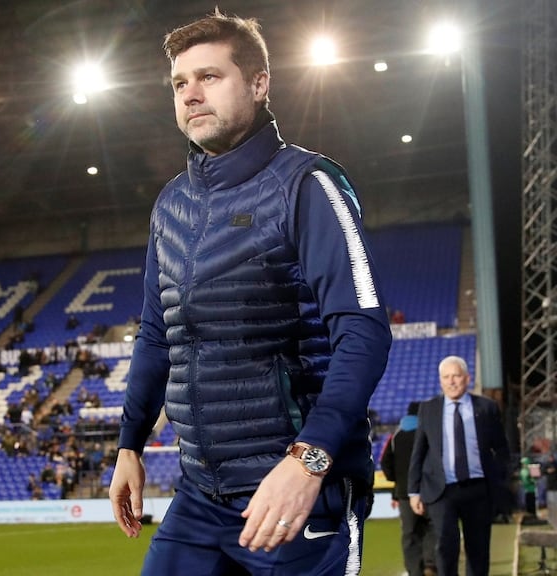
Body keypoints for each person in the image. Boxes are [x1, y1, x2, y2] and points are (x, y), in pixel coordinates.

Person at [108, 8, 392, 575]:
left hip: (295, 492)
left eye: (209, 77)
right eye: (180, 83)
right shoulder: (171, 206)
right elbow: (157, 336)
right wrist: (129, 444)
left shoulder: (308, 185)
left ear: (260, 84)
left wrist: (309, 462)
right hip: (200, 496)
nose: (190, 94)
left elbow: (363, 330)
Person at [408, 356, 510, 576]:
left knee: (478, 548)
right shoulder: (428, 409)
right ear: (440, 381)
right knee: (446, 545)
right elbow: (419, 452)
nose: (451, 381)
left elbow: (502, 448)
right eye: (446, 377)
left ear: (467, 378)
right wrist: (414, 491)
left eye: (456, 376)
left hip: (479, 489)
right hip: (442, 489)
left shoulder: (487, 407)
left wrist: (500, 479)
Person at [381, 401, 437, 576]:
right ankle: (431, 563)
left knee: (410, 533)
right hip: (429, 490)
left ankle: (414, 570)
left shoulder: (396, 436)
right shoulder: (430, 432)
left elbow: (385, 462)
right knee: (432, 527)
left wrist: (396, 480)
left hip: (405, 493)